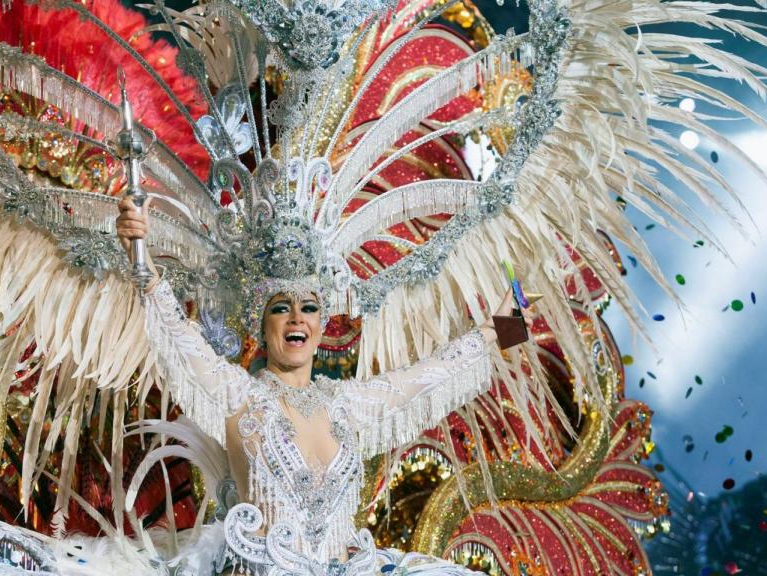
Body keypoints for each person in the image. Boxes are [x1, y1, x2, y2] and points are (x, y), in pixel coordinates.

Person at [116, 196, 518, 576]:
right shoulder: (237, 393)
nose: (296, 318)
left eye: (308, 308)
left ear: (322, 326)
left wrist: (502, 327)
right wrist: (142, 259)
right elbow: (178, 336)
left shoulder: (346, 402)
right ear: (263, 325)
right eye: (280, 308)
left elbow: (430, 375)